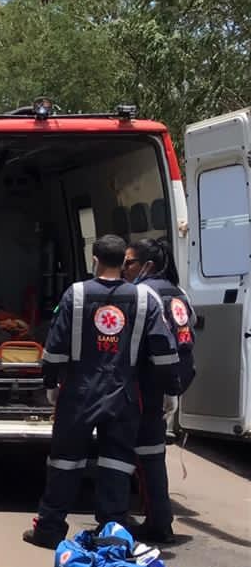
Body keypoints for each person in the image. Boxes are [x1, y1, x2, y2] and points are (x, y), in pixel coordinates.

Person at [26, 235, 180, 548]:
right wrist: (169, 391)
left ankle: (49, 529)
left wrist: (51, 384)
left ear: (94, 259)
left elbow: (55, 348)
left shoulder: (76, 294)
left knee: (65, 462)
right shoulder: (144, 299)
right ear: (125, 261)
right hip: (124, 394)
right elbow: (163, 351)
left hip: (78, 393)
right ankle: (112, 532)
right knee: (117, 463)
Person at [124, 237, 196, 543]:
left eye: (129, 263)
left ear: (147, 266)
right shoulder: (179, 293)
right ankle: (159, 518)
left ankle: (157, 523)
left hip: (150, 381)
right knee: (152, 453)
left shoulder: (143, 293)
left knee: (145, 455)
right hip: (175, 378)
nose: (124, 268)